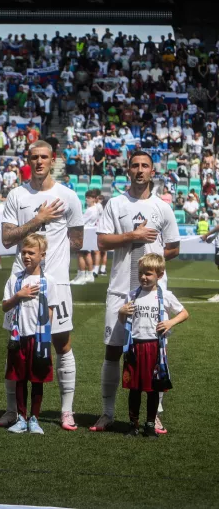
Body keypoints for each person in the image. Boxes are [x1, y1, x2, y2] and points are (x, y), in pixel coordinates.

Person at [92, 151, 180, 433]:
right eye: (134, 166)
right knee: (113, 350)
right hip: (120, 290)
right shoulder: (115, 204)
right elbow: (103, 241)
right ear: (127, 170)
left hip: (153, 296)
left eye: (145, 166)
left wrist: (153, 262)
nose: (139, 170)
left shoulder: (162, 207)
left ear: (152, 171)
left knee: (156, 353)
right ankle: (107, 413)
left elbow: (175, 247)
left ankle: (155, 414)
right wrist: (134, 236)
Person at [0, 141, 82, 431]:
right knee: (16, 346)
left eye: (44, 157)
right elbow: (7, 239)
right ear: (28, 160)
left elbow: (78, 239)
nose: (39, 162)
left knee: (62, 344)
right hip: (21, 284)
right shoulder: (17, 195)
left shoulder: (68, 196)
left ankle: (66, 411)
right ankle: (13, 411)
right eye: (34, 157)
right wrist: (38, 220)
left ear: (53, 160)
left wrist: (54, 257)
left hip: (55, 284)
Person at [117, 253, 188, 438]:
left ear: (160, 275)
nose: (144, 277)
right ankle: (133, 424)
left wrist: (170, 323)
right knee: (134, 388)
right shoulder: (132, 295)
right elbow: (123, 319)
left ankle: (149, 424)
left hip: (154, 349)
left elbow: (184, 313)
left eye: (148, 273)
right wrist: (121, 311)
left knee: (153, 388)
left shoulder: (164, 295)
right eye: (141, 273)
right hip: (134, 347)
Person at [1, 234, 57, 434]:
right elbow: (4, 306)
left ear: (42, 255)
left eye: (31, 253)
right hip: (18, 337)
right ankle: (21, 417)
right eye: (24, 252)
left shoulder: (48, 281)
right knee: (19, 378)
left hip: (39, 339)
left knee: (37, 379)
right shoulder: (15, 279)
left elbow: (50, 310)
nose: (26, 256)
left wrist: (45, 338)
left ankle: (34, 418)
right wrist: (18, 296)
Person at [72, 190, 104, 285]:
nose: (87, 199)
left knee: (81, 254)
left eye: (89, 198)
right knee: (87, 254)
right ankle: (89, 275)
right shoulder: (95, 208)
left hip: (86, 231)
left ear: (94, 199)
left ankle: (82, 276)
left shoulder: (91, 210)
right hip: (91, 231)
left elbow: (81, 221)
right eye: (86, 197)